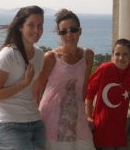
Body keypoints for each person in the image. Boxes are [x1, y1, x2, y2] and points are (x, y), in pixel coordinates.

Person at [34, 8, 96, 150]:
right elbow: (37, 90)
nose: (69, 34)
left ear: (80, 31)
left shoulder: (88, 55)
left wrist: (87, 115)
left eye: (73, 29)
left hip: (78, 117)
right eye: (63, 31)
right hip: (53, 119)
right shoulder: (51, 57)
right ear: (59, 34)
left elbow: (83, 89)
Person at [85, 38, 130, 150]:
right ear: (112, 55)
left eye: (125, 54)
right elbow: (89, 93)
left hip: (119, 126)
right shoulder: (105, 69)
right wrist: (89, 116)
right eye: (117, 54)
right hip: (103, 126)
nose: (121, 58)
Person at [0, 5, 46, 150]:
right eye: (31, 25)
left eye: (40, 26)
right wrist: (25, 82)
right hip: (8, 125)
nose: (36, 30)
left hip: (35, 122)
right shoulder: (8, 55)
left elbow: (36, 92)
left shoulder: (39, 55)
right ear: (20, 27)